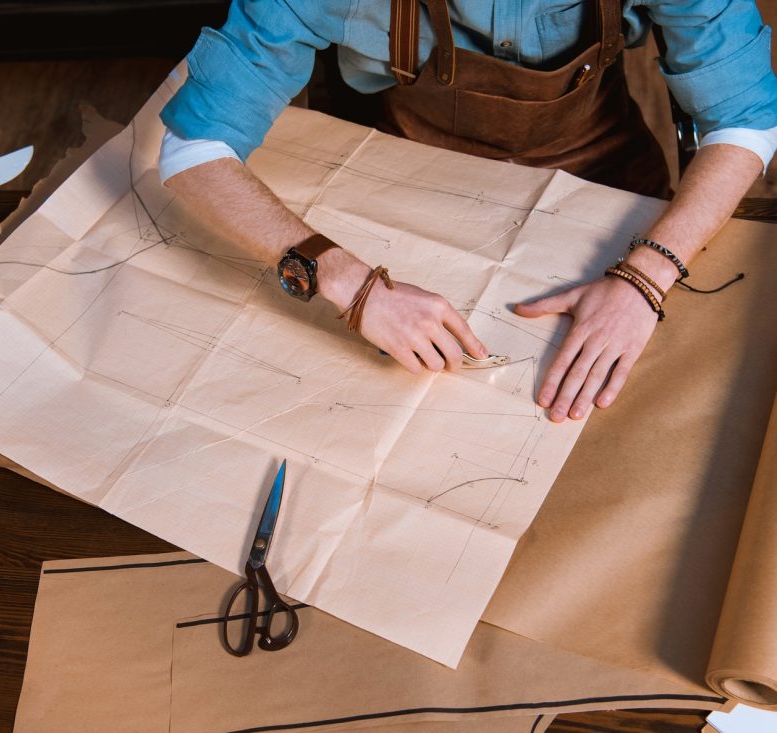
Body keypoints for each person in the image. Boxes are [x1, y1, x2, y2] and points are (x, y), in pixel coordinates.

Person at [159, 1, 776, 423]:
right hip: (403, 177)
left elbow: (747, 119)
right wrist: (350, 285)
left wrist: (647, 274)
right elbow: (194, 150)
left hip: (598, 169)